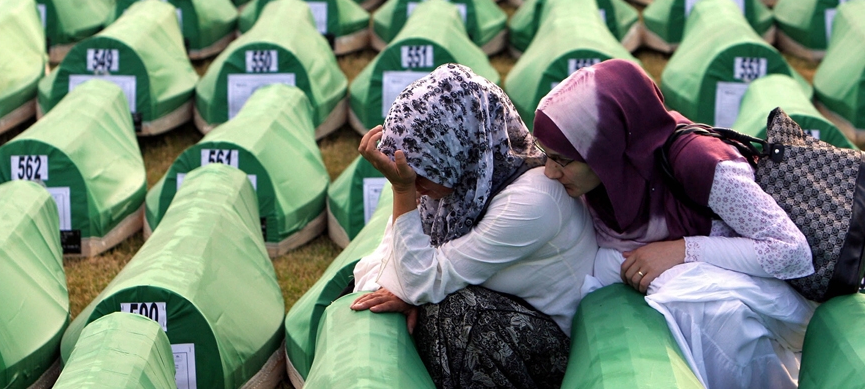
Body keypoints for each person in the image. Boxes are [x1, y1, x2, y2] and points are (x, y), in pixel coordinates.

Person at [532, 58, 817, 389]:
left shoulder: (699, 162)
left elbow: (791, 252)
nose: (549, 172)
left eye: (562, 159)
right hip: (730, 287)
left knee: (692, 297)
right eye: (545, 155)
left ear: (606, 148)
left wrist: (683, 250)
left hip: (776, 297)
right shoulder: (609, 180)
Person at [350, 63, 598, 389]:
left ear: (455, 150)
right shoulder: (459, 187)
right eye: (405, 175)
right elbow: (382, 262)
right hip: (507, 312)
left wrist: (402, 192)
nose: (414, 183)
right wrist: (407, 289)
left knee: (455, 312)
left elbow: (417, 282)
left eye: (419, 172)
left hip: (554, 345)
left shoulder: (533, 202)